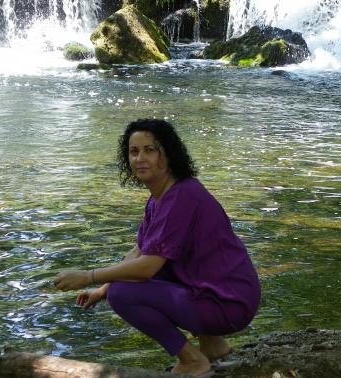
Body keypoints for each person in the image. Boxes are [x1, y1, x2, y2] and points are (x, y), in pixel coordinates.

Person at [54, 118, 260, 377]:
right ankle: (214, 347)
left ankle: (193, 361)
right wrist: (101, 289)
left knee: (122, 293)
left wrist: (88, 277)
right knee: (143, 274)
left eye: (150, 150)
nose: (140, 158)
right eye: (133, 151)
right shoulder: (161, 197)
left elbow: (147, 267)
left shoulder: (182, 196)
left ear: (168, 154)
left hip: (228, 304)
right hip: (224, 296)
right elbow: (139, 252)